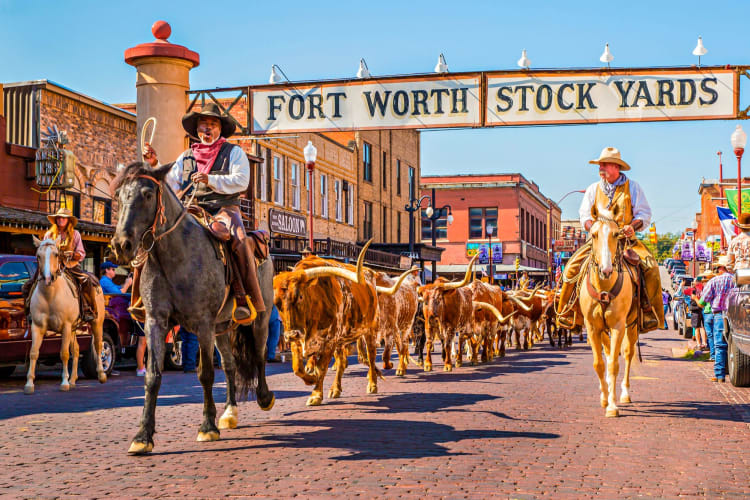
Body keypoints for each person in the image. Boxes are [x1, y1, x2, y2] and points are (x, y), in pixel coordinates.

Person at [142, 102, 264, 322]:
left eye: (212, 124)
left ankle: (245, 298)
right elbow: (170, 185)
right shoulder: (186, 156)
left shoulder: (234, 153)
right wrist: (154, 164)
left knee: (239, 239)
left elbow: (241, 181)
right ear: (197, 130)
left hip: (224, 208)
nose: (207, 129)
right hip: (191, 209)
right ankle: (144, 299)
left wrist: (211, 179)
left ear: (219, 129)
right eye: (203, 125)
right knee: (152, 235)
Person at [556, 147, 663, 332]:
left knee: (651, 267)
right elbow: (584, 216)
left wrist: (633, 226)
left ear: (616, 167)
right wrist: (594, 229)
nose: (601, 167)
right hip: (598, 243)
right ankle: (568, 312)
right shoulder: (593, 189)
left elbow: (644, 214)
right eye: (600, 164)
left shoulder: (633, 187)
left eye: (604, 164)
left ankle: (648, 312)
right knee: (571, 267)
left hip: (626, 241)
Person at [22, 208, 100, 323]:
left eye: (63, 218)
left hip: (70, 266)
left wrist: (73, 254)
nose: (61, 220)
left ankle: (88, 309)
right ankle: (29, 311)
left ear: (68, 220)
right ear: (56, 220)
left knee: (86, 281)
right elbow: (42, 250)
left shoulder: (75, 234)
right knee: (28, 285)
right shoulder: (49, 234)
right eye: (59, 218)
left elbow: (81, 253)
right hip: (50, 266)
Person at [698, 256, 735, 382]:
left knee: (719, 344)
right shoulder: (737, 280)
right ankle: (732, 371)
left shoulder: (714, 281)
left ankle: (720, 375)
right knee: (735, 344)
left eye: (718, 267)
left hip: (719, 314)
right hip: (737, 314)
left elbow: (703, 301)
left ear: (721, 268)